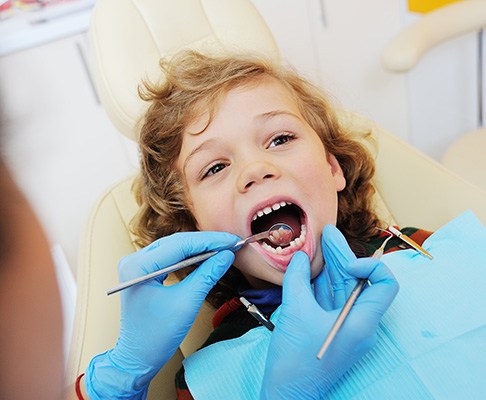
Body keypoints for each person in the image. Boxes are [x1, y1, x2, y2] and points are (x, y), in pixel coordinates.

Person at [84, 50, 409, 399]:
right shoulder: (204, 383)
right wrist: (121, 374)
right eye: (215, 167)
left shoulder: (419, 247)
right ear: (193, 228)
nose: (255, 170)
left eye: (280, 139)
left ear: (333, 169)